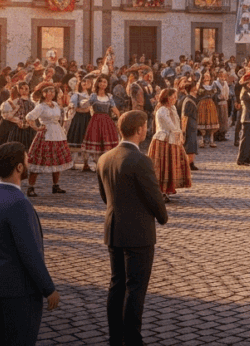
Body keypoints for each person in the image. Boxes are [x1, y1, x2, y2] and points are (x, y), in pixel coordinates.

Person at [97, 110, 169, 346]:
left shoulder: (104, 158)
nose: (146, 130)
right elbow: (154, 196)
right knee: (135, 288)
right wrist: (162, 216)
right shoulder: (140, 160)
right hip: (138, 232)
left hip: (113, 228)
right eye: (145, 127)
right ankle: (132, 339)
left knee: (116, 285)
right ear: (139, 130)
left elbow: (104, 196)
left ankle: (115, 337)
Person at [0, 142, 61, 346]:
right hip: (19, 288)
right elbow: (30, 253)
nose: (29, 162)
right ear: (18, 167)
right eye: (26, 159)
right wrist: (48, 288)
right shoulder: (19, 203)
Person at [24, 82, 72, 197]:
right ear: (43, 93)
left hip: (57, 134)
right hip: (45, 134)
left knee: (57, 159)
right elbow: (29, 117)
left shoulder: (55, 104)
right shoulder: (41, 106)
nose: (51, 93)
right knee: (38, 160)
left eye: (52, 91)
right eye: (48, 91)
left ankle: (56, 185)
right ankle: (31, 187)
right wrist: (36, 127)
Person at [148, 88, 191, 203]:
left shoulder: (172, 108)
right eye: (173, 97)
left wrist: (180, 133)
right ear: (167, 97)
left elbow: (176, 124)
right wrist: (179, 133)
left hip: (172, 139)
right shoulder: (162, 110)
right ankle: (161, 191)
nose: (175, 99)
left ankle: (166, 190)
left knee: (171, 165)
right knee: (162, 165)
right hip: (163, 139)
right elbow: (170, 125)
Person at [65, 74, 94, 171]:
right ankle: (72, 163)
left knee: (86, 139)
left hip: (88, 118)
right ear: (80, 84)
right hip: (79, 118)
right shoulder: (76, 95)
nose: (86, 83)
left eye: (88, 82)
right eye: (84, 82)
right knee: (76, 138)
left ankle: (86, 164)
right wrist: (82, 109)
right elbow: (73, 107)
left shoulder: (92, 95)